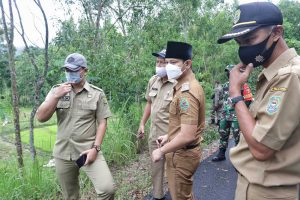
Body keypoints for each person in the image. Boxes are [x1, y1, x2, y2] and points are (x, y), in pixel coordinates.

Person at [218, 2, 300, 200]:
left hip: (267, 192)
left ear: (276, 32)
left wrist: (235, 92)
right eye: (239, 43)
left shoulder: (289, 76)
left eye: (250, 39)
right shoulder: (273, 74)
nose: (244, 49)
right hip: (255, 185)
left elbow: (261, 149)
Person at [36, 53, 115, 200]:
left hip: (87, 150)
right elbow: (41, 117)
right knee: (70, 196)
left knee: (107, 189)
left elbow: (102, 123)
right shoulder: (57, 90)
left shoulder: (96, 93)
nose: (70, 74)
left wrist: (96, 148)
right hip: (63, 153)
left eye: (74, 70)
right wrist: (55, 96)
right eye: (67, 70)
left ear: (84, 70)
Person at [151, 41, 205, 200]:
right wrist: (169, 136)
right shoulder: (182, 86)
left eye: (173, 62)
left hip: (182, 154)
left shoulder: (186, 93)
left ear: (187, 64)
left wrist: (160, 151)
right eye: (166, 62)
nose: (168, 66)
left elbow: (188, 135)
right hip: (181, 151)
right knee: (184, 195)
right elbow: (185, 124)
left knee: (180, 196)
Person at [137, 48, 175, 200]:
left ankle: (177, 195)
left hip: (172, 136)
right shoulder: (153, 80)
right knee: (156, 168)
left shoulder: (177, 83)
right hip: (155, 134)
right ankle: (158, 196)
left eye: (163, 62)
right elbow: (149, 103)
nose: (159, 65)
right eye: (158, 62)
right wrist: (142, 123)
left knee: (174, 169)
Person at [212, 64, 253, 162]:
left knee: (238, 137)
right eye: (227, 72)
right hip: (225, 115)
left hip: (237, 116)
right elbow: (219, 101)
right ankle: (221, 154)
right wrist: (217, 116)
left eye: (230, 72)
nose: (228, 74)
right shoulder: (225, 85)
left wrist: (244, 115)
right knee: (223, 134)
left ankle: (240, 159)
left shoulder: (243, 85)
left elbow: (248, 100)